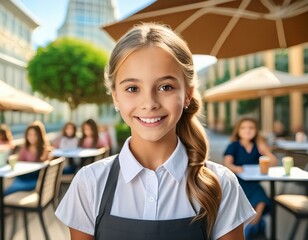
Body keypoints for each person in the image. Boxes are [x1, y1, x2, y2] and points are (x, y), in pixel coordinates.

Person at [56, 23, 256, 240]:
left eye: (165, 87)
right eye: (132, 88)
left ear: (187, 94)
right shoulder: (89, 183)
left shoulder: (222, 183)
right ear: (115, 96)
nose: (149, 103)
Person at [223, 117, 278, 239]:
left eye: (251, 128)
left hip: (253, 182)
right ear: (238, 131)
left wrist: (265, 151)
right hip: (239, 181)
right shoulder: (234, 146)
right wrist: (237, 168)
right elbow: (227, 163)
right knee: (260, 197)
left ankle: (251, 226)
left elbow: (274, 162)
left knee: (261, 199)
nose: (247, 130)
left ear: (256, 131)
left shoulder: (257, 146)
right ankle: (250, 227)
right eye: (243, 128)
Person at [4, 120, 50, 195]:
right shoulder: (24, 148)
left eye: (35, 135)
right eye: (29, 134)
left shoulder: (45, 150)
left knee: (6, 192)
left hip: (34, 180)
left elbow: (44, 168)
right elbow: (18, 163)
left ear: (40, 135)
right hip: (22, 177)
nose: (32, 137)